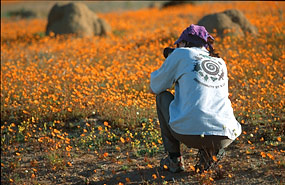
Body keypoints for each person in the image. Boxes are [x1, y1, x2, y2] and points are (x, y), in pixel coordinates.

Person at [150, 24, 242, 173]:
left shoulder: (181, 54)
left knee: (162, 97)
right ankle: (212, 152)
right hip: (225, 135)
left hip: (189, 133)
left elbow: (155, 88)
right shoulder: (220, 62)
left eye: (179, 43)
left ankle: (174, 160)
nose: (177, 46)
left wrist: (173, 65)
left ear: (185, 43)